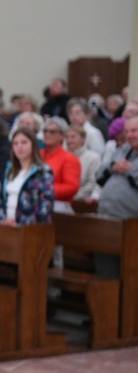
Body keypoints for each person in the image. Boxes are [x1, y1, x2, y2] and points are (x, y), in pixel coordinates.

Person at [95, 116, 138, 277]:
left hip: (132, 224)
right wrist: (114, 167)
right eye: (127, 131)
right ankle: (108, 298)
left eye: (134, 131)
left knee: (129, 271)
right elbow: (99, 175)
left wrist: (129, 170)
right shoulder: (123, 150)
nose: (130, 135)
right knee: (106, 270)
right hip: (107, 218)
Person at [0, 128, 54, 226]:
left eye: (24, 142)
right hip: (6, 226)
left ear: (33, 145)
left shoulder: (43, 172)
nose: (19, 147)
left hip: (31, 230)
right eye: (15, 143)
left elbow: (46, 205)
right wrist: (3, 220)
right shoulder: (9, 170)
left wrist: (21, 224)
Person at [40, 117, 81, 212]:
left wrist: (44, 190)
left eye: (52, 132)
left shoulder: (69, 158)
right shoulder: (38, 155)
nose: (47, 134)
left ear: (62, 136)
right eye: (45, 131)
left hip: (58, 206)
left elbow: (71, 187)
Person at [65, 124, 101, 202]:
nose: (69, 140)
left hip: (82, 202)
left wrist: (74, 196)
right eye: (67, 137)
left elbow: (92, 183)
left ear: (82, 139)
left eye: (73, 137)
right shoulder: (63, 157)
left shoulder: (93, 158)